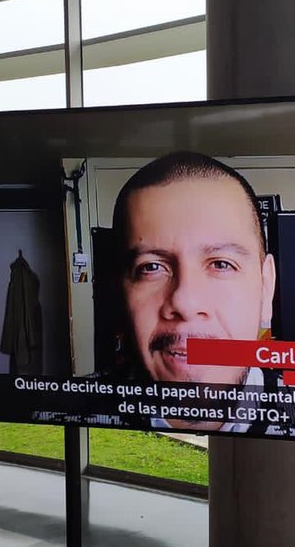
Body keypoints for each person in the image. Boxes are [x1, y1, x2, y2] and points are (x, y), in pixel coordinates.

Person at [107, 151, 277, 431]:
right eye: (151, 267)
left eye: (222, 264)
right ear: (120, 291)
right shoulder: (61, 411)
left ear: (266, 287)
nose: (184, 302)